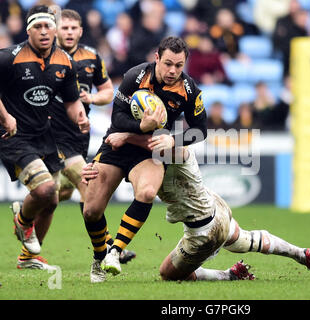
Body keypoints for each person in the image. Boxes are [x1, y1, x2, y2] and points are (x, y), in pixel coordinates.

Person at [82, 138, 310, 282]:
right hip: (215, 206)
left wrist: (126, 135)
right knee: (241, 239)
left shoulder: (171, 151)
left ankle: (229, 276)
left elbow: (155, 150)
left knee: (167, 274)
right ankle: (301, 253)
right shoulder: (163, 154)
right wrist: (95, 163)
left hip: (202, 231)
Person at [82, 36, 207, 283]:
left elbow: (201, 129)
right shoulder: (135, 77)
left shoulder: (189, 89)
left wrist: (173, 141)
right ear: (157, 58)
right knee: (91, 211)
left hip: (150, 150)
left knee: (148, 192)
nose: (173, 71)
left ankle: (114, 252)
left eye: (179, 65)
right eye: (168, 63)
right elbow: (116, 117)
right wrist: (142, 125)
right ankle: (100, 256)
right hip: (117, 144)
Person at [0, 5, 90, 270]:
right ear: (28, 30)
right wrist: (5, 116)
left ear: (55, 29)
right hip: (13, 135)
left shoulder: (65, 61)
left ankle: (28, 258)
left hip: (44, 134)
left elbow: (72, 103)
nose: (43, 32)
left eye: (47, 26)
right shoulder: (9, 58)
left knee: (51, 200)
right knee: (45, 189)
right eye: (37, 27)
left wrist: (81, 117)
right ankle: (22, 221)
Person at [45, 9, 135, 265]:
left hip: (78, 136)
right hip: (52, 134)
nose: (69, 32)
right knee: (88, 184)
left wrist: (92, 98)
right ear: (56, 30)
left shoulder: (92, 57)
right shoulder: (45, 57)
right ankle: (108, 248)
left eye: (74, 28)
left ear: (81, 31)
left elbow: (108, 91)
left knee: (55, 193)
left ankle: (25, 218)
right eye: (64, 28)